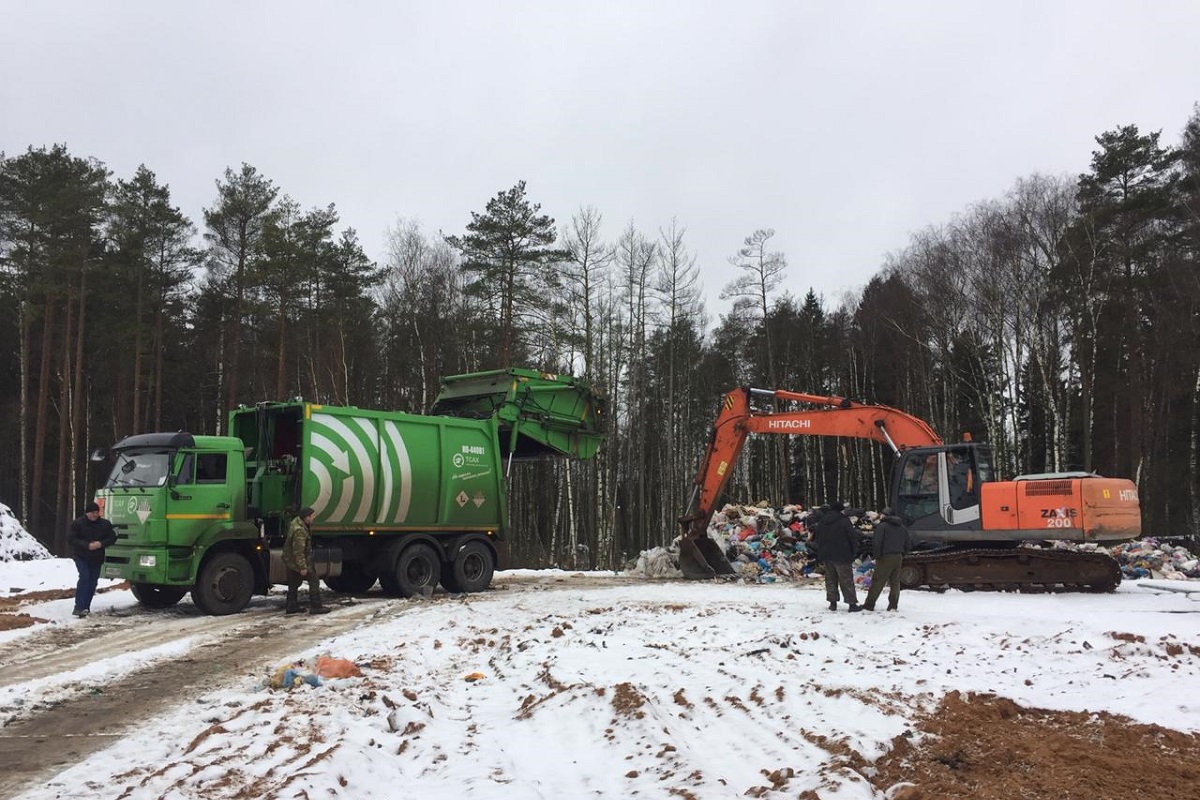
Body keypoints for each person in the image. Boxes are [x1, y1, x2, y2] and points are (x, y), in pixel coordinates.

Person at [67, 501, 117, 617]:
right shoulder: (78, 523)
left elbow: (112, 537)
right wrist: (87, 545)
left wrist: (101, 544)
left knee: (92, 582)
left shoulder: (105, 524)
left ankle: (85, 607)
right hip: (81, 556)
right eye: (92, 512)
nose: (95, 515)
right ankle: (79, 607)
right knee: (84, 577)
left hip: (97, 557)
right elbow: (71, 539)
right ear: (87, 513)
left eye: (97, 512)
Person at [813, 501, 862, 612]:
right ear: (841, 510)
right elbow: (853, 538)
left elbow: (818, 538)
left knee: (830, 579)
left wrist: (821, 551)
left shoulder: (823, 521)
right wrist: (854, 552)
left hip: (827, 555)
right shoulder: (844, 521)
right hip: (842, 554)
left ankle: (832, 603)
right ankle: (852, 604)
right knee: (846, 579)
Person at [283, 507, 331, 614]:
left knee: (294, 582)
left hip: (290, 560)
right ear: (307, 517)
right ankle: (316, 606)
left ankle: (291, 606)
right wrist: (303, 567)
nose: (314, 518)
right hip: (297, 561)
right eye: (312, 516)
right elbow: (298, 551)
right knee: (314, 580)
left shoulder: (296, 523)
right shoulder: (300, 531)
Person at [863, 507, 910, 611]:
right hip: (898, 556)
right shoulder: (902, 527)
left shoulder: (882, 526)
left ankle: (869, 604)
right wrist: (902, 554)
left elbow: (877, 543)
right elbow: (908, 544)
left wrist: (877, 556)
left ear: (885, 515)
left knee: (878, 581)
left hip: (885, 556)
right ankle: (893, 605)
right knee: (895, 582)